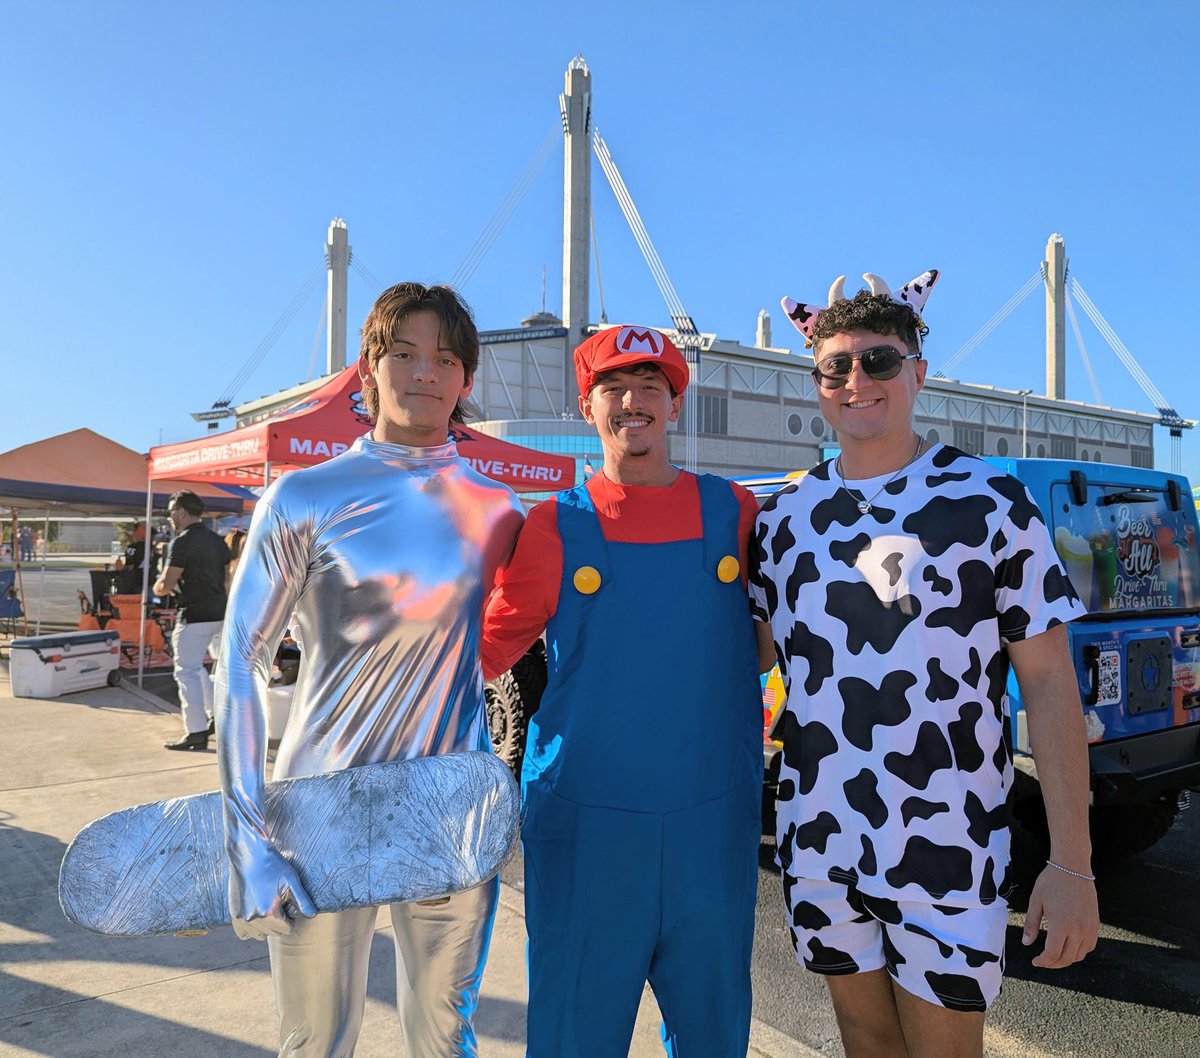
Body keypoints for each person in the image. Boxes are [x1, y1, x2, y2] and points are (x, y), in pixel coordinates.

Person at [751, 270, 1099, 1058]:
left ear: (918, 372)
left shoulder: (990, 501)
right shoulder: (783, 519)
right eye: (835, 366)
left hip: (949, 848)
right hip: (820, 841)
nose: (856, 381)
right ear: (816, 384)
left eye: (879, 360)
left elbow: (1049, 683)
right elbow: (743, 661)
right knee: (866, 1043)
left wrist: (1073, 864)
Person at [216, 282, 523, 1058]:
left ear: (466, 378)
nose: (425, 372)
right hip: (318, 812)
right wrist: (246, 838)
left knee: (443, 1038)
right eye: (404, 353)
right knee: (314, 1042)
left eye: (445, 359)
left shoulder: (500, 509)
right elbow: (242, 662)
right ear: (367, 370)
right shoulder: (303, 496)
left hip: (450, 810)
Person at [483, 325, 772, 1058]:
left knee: (714, 1031)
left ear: (675, 405)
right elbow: (480, 653)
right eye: (612, 388)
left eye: (650, 386)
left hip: (712, 818)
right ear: (587, 407)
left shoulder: (736, 514)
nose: (632, 401)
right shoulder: (553, 524)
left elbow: (789, 633)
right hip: (586, 824)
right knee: (574, 1032)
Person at [153, 491, 230, 750]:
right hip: (220, 613)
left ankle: (196, 731)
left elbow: (166, 584)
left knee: (186, 671)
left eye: (171, 512)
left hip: (194, 615)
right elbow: (227, 580)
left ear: (182, 511)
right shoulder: (218, 541)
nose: (170, 517)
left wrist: (156, 587)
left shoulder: (182, 542)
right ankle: (216, 715)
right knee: (207, 669)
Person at [115, 522, 155, 595]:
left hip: (134, 581)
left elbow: (130, 566)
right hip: (148, 579)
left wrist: (121, 568)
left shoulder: (134, 548)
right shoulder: (149, 546)